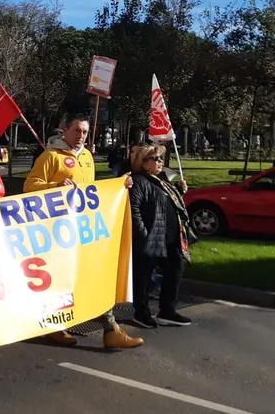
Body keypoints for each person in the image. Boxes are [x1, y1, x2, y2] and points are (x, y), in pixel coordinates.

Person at [24, 113, 142, 350]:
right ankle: (54, 326)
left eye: (85, 132)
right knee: (58, 280)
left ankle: (111, 329)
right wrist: (55, 186)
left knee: (95, 277)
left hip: (83, 230)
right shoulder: (50, 157)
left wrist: (118, 184)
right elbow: (29, 187)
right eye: (77, 131)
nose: (81, 136)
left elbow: (92, 191)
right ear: (64, 130)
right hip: (55, 233)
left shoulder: (87, 156)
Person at [128, 144, 193, 328]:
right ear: (143, 162)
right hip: (151, 238)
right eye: (154, 159)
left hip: (171, 238)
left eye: (160, 158)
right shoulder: (139, 181)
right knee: (143, 277)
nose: (159, 162)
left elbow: (167, 203)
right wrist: (142, 235)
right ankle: (141, 312)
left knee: (175, 270)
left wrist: (179, 191)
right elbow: (134, 210)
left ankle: (167, 311)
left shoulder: (161, 180)